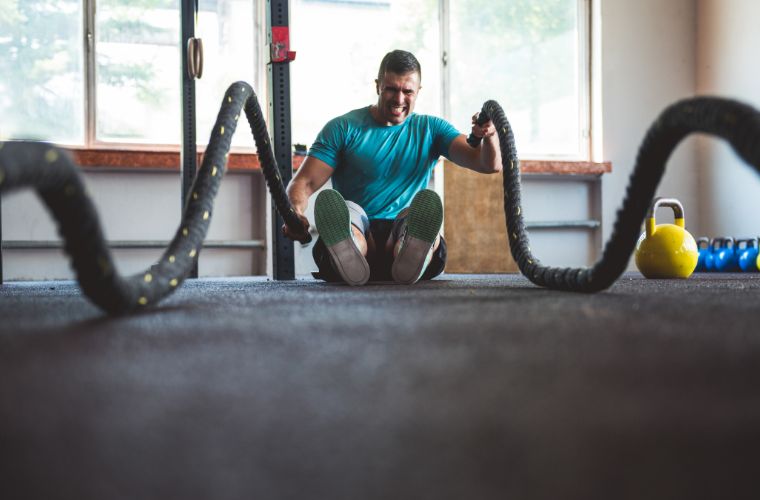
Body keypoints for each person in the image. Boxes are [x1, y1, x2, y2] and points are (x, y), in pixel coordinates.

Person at [283, 49, 502, 286]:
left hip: (401, 231)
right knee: (349, 212)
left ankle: (409, 251)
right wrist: (295, 212)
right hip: (361, 228)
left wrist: (489, 136)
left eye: (407, 91)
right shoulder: (343, 128)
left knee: (411, 217)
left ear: (418, 91)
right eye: (391, 89)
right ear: (378, 86)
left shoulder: (431, 129)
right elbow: (303, 183)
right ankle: (351, 248)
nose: (399, 99)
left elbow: (488, 164)